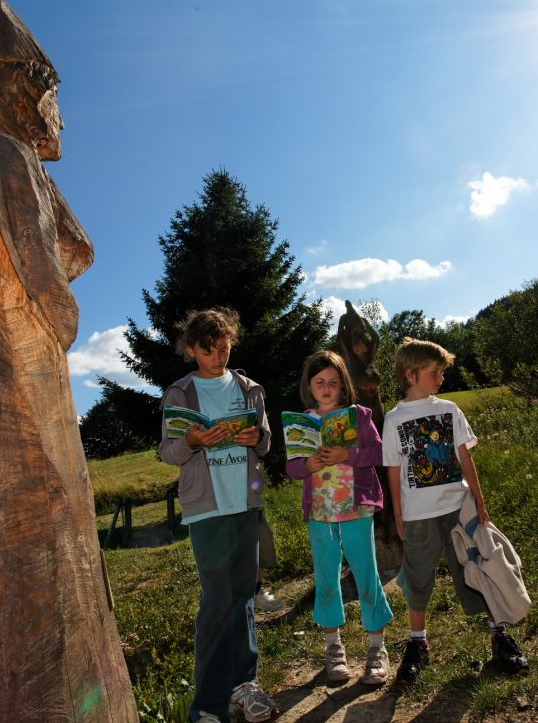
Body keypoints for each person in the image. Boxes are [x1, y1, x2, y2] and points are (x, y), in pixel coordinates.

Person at [382, 338, 529, 684]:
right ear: (411, 374)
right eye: (435, 372)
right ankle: (417, 643)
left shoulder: (449, 410)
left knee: (480, 566)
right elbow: (393, 470)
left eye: (442, 372)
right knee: (418, 577)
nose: (442, 378)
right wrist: (398, 517)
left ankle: (499, 635)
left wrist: (479, 500)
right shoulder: (394, 419)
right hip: (417, 515)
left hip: (459, 508)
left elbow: (464, 457)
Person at [159, 308, 278, 723]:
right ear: (191, 350)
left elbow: (265, 443)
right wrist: (192, 441)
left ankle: (244, 686)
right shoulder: (179, 394)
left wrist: (255, 436)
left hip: (245, 504)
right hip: (206, 510)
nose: (217, 358)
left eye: (224, 349)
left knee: (243, 596)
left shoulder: (249, 389)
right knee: (216, 601)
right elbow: (168, 452)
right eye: (208, 351)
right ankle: (207, 705)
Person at [285, 351, 393, 685]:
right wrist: (308, 465)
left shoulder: (359, 415)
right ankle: (333, 647)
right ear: (309, 386)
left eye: (333, 381)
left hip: (356, 508)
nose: (327, 388)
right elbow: (292, 468)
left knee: (366, 572)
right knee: (326, 577)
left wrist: (349, 454)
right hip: (320, 514)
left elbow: (379, 452)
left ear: (343, 383)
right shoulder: (301, 424)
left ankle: (377, 647)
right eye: (319, 382)